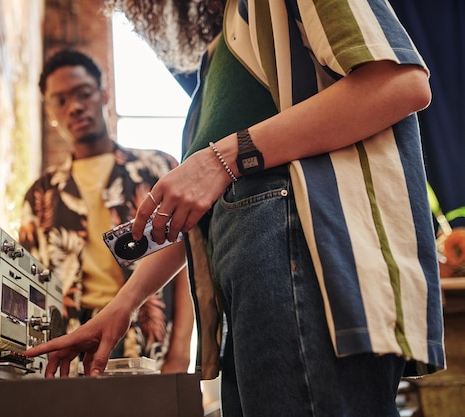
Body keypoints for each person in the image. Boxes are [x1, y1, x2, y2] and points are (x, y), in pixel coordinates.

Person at [26, 1, 446, 416]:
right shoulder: (213, 59)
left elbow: (400, 83)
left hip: (304, 269)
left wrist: (223, 158)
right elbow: (193, 218)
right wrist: (123, 305)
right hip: (243, 297)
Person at [18, 48, 193, 375]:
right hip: (73, 347)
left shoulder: (159, 169)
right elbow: (32, 284)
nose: (75, 106)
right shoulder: (40, 195)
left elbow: (188, 262)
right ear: (50, 112)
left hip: (150, 341)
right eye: (61, 101)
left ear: (104, 94)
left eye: (83, 93)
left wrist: (181, 352)